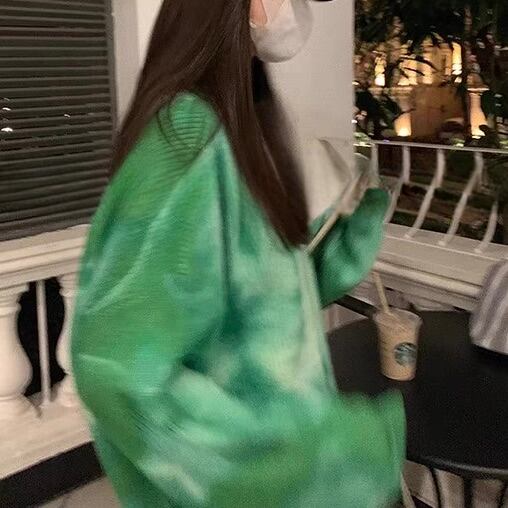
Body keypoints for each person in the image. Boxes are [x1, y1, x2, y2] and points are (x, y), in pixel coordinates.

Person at [71, 1, 405, 506]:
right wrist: (306, 457)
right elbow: (115, 367)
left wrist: (343, 238)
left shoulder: (234, 124)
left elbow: (251, 298)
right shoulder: (187, 134)